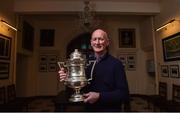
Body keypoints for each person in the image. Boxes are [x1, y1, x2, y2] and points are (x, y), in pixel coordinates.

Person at [58, 29, 129, 112]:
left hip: (109, 110)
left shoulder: (116, 64)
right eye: (94, 39)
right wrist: (69, 77)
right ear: (91, 43)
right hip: (90, 109)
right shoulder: (86, 62)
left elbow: (124, 94)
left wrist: (99, 96)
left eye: (101, 39)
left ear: (107, 42)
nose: (97, 42)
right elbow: (81, 87)